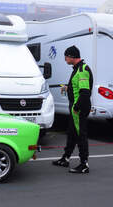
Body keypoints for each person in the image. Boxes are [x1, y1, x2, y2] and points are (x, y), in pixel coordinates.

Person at [52, 45, 93, 174]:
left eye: (66, 56)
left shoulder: (82, 69)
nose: (65, 59)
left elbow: (85, 92)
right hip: (75, 107)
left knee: (81, 135)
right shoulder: (76, 68)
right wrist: (68, 88)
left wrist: (76, 107)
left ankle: (84, 164)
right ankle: (66, 158)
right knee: (72, 133)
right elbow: (76, 86)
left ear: (71, 56)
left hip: (79, 108)